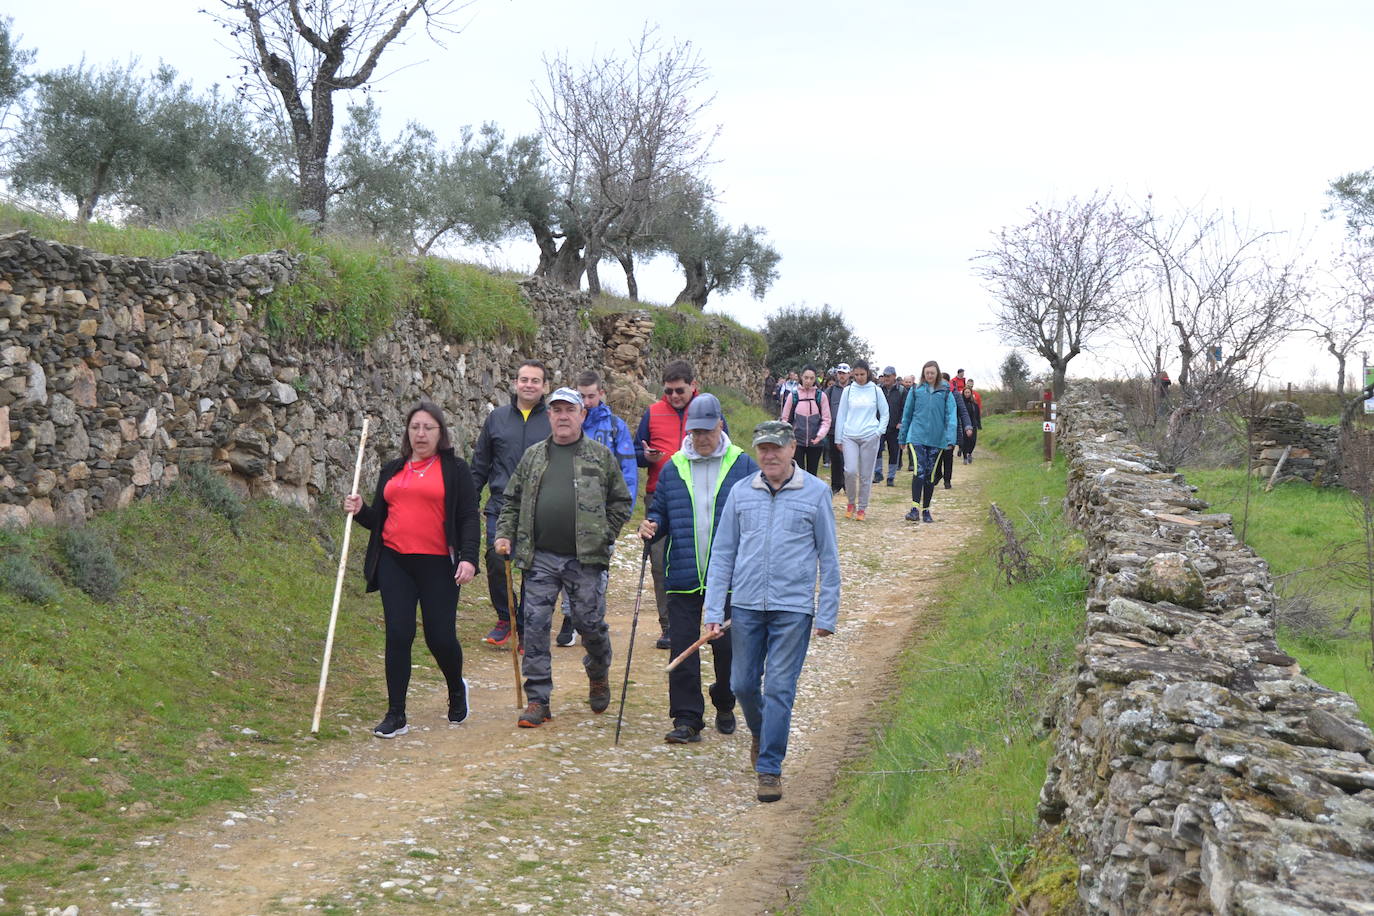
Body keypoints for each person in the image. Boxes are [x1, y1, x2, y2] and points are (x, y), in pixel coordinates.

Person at [704, 420, 840, 803]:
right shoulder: (740, 493)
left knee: (779, 688)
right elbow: (723, 554)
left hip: (793, 609)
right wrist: (715, 609)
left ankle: (769, 768)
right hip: (746, 606)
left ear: (792, 449)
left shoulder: (815, 493)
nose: (769, 455)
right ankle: (762, 732)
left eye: (776, 448)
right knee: (742, 685)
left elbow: (829, 558)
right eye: (762, 448)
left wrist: (826, 613)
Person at [495, 388, 633, 728]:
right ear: (550, 416)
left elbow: (621, 501)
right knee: (537, 627)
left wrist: (604, 534)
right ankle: (538, 699)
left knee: (589, 623)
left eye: (569, 410)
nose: (562, 416)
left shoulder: (600, 456)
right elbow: (511, 499)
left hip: (585, 559)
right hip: (540, 556)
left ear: (581, 415)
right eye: (556, 410)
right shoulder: (533, 457)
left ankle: (598, 669)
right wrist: (504, 533)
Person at [345, 402, 481, 739]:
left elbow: (467, 516)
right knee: (398, 634)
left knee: (440, 638)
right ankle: (396, 715)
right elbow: (381, 521)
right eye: (415, 427)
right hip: (395, 562)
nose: (420, 434)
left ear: (440, 433)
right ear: (407, 432)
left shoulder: (455, 469)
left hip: (438, 564)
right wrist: (362, 510)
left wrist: (469, 558)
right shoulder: (392, 469)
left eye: (428, 428)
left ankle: (456, 688)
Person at [638, 394, 758, 745]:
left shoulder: (742, 465)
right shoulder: (675, 466)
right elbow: (659, 510)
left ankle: (724, 700)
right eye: (694, 431)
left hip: (732, 578)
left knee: (728, 650)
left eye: (706, 430)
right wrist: (651, 525)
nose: (700, 438)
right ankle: (687, 719)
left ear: (720, 424)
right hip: (684, 575)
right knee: (683, 648)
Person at [636, 360, 726, 650]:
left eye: (680, 391)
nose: (674, 396)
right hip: (660, 494)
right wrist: (646, 456)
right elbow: (636, 450)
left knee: (707, 560)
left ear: (692, 386)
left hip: (703, 495)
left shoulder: (707, 409)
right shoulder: (652, 412)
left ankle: (715, 621)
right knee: (661, 563)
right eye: (669, 391)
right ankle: (670, 627)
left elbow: (725, 448)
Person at [554, 370, 638, 648]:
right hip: (568, 511)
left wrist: (622, 512)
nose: (587, 402)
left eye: (592, 396)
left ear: (601, 394)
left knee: (597, 569)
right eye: (583, 397)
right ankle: (569, 618)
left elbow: (628, 470)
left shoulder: (616, 427)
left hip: (602, 515)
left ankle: (593, 616)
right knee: (567, 564)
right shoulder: (568, 424)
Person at [471, 360, 550, 647]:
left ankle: (527, 626)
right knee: (495, 558)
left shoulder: (553, 420)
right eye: (524, 379)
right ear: (515, 383)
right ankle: (507, 618)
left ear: (544, 387)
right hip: (501, 504)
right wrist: (468, 500)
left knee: (535, 567)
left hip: (542, 507)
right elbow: (480, 463)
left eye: (535, 381)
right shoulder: (497, 419)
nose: (529, 385)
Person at [898, 361, 958, 523]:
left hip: (937, 439)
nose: (930, 375)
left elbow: (951, 416)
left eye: (932, 373)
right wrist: (902, 437)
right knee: (919, 470)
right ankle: (914, 508)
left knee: (930, 474)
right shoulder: (916, 391)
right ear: (923, 374)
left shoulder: (946, 392)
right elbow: (907, 414)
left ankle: (926, 510)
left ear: (937, 373)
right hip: (916, 436)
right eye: (927, 373)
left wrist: (950, 439)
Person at [834, 359, 888, 521]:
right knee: (849, 471)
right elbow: (841, 415)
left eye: (862, 374)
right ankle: (851, 502)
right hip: (849, 435)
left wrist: (878, 432)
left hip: (870, 436)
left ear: (868, 373)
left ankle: (862, 508)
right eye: (856, 374)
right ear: (852, 374)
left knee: (866, 475)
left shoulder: (876, 390)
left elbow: (885, 413)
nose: (859, 377)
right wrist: (838, 438)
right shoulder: (848, 391)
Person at [780, 364, 831, 475]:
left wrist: (820, 435)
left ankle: (812, 492)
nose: (808, 381)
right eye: (806, 377)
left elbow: (826, 419)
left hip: (816, 442)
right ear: (801, 377)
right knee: (798, 473)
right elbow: (784, 419)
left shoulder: (821, 396)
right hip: (797, 442)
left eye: (811, 378)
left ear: (815, 379)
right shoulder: (793, 396)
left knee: (812, 474)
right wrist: (789, 437)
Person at [933, 373, 974, 491]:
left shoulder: (955, 395)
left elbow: (963, 412)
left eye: (945, 381)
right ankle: (937, 474)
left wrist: (967, 426)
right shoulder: (935, 393)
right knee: (936, 455)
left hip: (951, 429)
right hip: (937, 429)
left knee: (948, 456)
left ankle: (947, 480)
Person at [874, 366, 906, 486]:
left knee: (894, 452)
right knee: (877, 449)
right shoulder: (877, 389)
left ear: (894, 376)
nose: (886, 378)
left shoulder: (902, 390)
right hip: (879, 425)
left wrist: (901, 422)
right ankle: (878, 473)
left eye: (888, 376)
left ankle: (891, 477)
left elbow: (905, 408)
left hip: (894, 427)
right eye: (884, 376)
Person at [825, 363, 850, 495]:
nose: (841, 375)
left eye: (844, 373)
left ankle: (847, 484)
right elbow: (824, 407)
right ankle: (836, 485)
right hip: (833, 430)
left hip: (850, 430)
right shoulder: (830, 390)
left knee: (848, 459)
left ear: (849, 374)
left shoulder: (854, 389)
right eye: (839, 373)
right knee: (835, 458)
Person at [960, 385, 983, 463]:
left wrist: (979, 424)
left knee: (972, 441)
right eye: (965, 392)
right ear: (963, 393)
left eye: (968, 392)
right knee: (964, 441)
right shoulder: (961, 404)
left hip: (973, 424)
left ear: (971, 393)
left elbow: (977, 415)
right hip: (963, 424)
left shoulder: (974, 404)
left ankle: (970, 453)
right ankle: (965, 457)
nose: (967, 394)